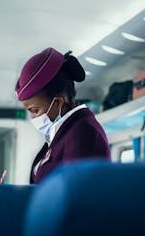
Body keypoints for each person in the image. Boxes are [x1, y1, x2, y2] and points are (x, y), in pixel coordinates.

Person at [15, 47, 111, 184]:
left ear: (58, 103)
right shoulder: (62, 133)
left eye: (35, 110)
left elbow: (78, 196)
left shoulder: (83, 133)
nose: (33, 118)